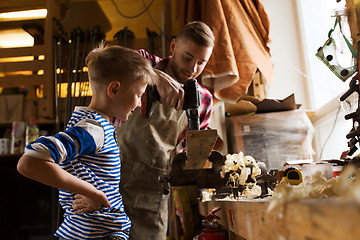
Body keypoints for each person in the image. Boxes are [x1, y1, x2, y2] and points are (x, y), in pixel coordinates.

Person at [17, 44, 157, 240]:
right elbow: (30, 162)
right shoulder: (94, 130)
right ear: (114, 89)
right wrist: (94, 194)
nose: (140, 103)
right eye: (139, 95)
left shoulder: (99, 126)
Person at [116, 21, 215, 240]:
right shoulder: (145, 62)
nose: (193, 68)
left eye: (201, 62)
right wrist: (154, 76)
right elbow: (98, 58)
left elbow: (193, 158)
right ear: (173, 47)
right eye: (187, 58)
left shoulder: (205, 100)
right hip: (110, 181)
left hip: (151, 194)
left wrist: (198, 162)